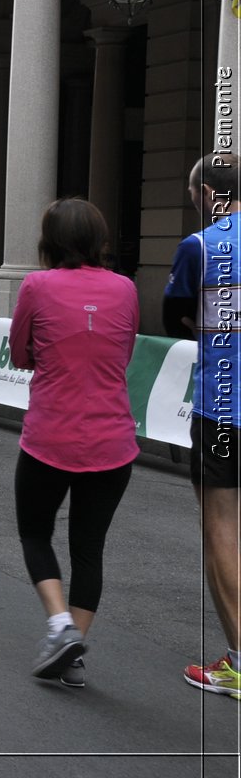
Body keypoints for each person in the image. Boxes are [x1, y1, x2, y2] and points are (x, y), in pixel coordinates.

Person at [9, 198, 139, 688]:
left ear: (50, 241)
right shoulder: (125, 288)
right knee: (90, 548)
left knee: (35, 533)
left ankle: (61, 626)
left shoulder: (37, 285)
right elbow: (122, 354)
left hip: (50, 435)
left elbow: (20, 355)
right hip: (113, 440)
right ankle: (74, 647)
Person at [164, 151, 241, 699]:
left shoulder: (202, 246)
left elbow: (174, 317)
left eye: (193, 196)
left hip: (224, 407)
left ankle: (238, 660)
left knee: (221, 528)